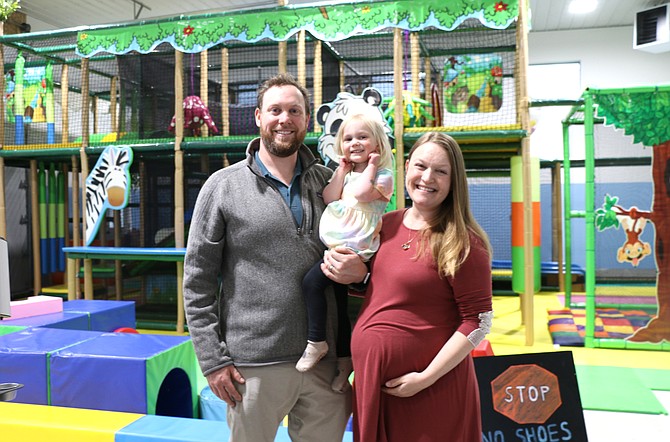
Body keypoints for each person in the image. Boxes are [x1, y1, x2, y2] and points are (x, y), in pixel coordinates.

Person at [183, 73, 368, 442]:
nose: (285, 119)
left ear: (306, 119)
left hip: (325, 363)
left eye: (294, 111)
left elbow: (364, 251)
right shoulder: (223, 187)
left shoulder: (331, 183)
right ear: (258, 117)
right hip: (252, 365)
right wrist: (213, 360)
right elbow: (197, 280)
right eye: (275, 110)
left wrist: (361, 273)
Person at [350, 132, 493, 441]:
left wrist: (425, 378)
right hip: (374, 385)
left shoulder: (464, 242)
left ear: (454, 181)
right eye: (421, 166)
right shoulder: (384, 225)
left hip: (431, 391)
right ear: (406, 167)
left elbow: (478, 322)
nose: (427, 177)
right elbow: (386, 294)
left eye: (441, 171)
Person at [296, 113, 394, 394]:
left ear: (377, 143)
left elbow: (363, 194)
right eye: (348, 138)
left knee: (311, 283)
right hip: (339, 245)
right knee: (338, 307)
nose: (355, 143)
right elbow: (329, 196)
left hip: (355, 247)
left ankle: (316, 341)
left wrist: (372, 165)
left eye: (363, 137)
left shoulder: (383, 176)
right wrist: (340, 170)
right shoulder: (348, 173)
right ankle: (344, 362)